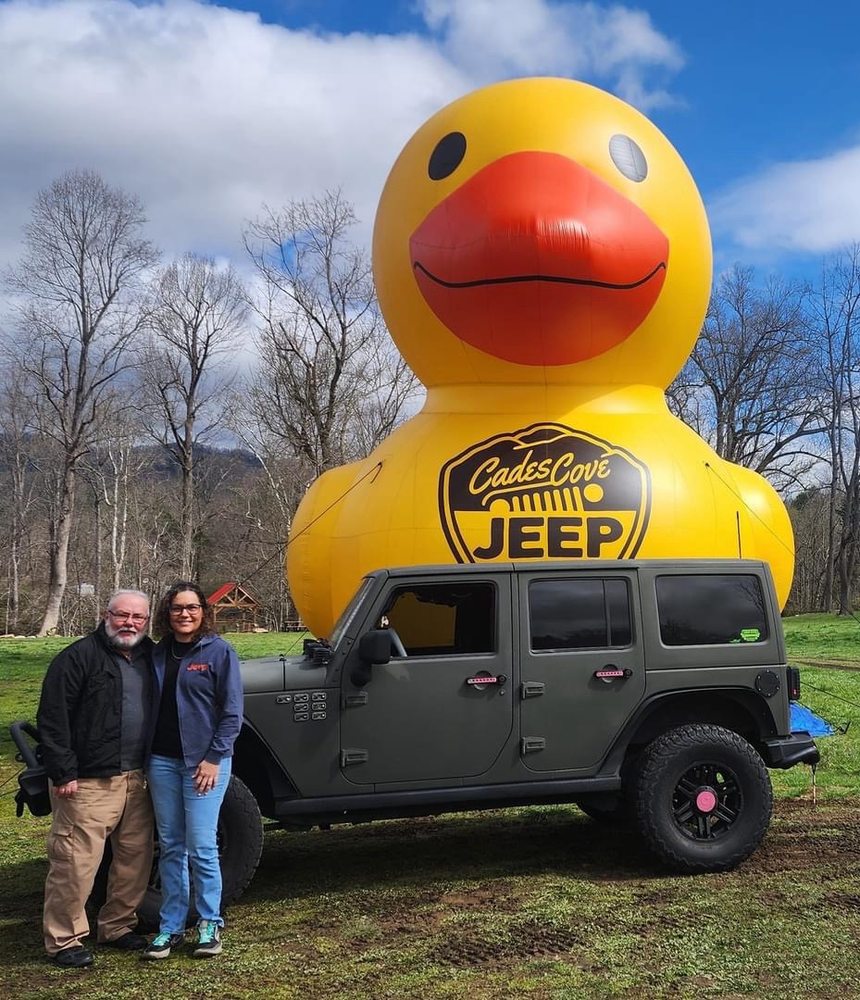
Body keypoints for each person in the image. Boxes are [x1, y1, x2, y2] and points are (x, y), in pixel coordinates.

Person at [37, 589, 155, 968]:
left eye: (138, 617)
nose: (129, 623)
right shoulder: (76, 658)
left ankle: (118, 925)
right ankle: (64, 939)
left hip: (138, 779)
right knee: (75, 862)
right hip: (87, 782)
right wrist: (63, 771)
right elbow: (53, 719)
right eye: (122, 615)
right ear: (107, 615)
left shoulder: (151, 657)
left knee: (133, 860)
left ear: (147, 621)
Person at [142, 581, 243, 961]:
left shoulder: (219, 653)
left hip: (204, 764)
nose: (184, 614)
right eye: (176, 608)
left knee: (201, 845)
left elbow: (232, 713)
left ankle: (210, 922)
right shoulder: (156, 654)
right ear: (166, 614)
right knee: (171, 846)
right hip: (162, 763)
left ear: (204, 611)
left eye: (192, 607)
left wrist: (214, 757)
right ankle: (170, 927)